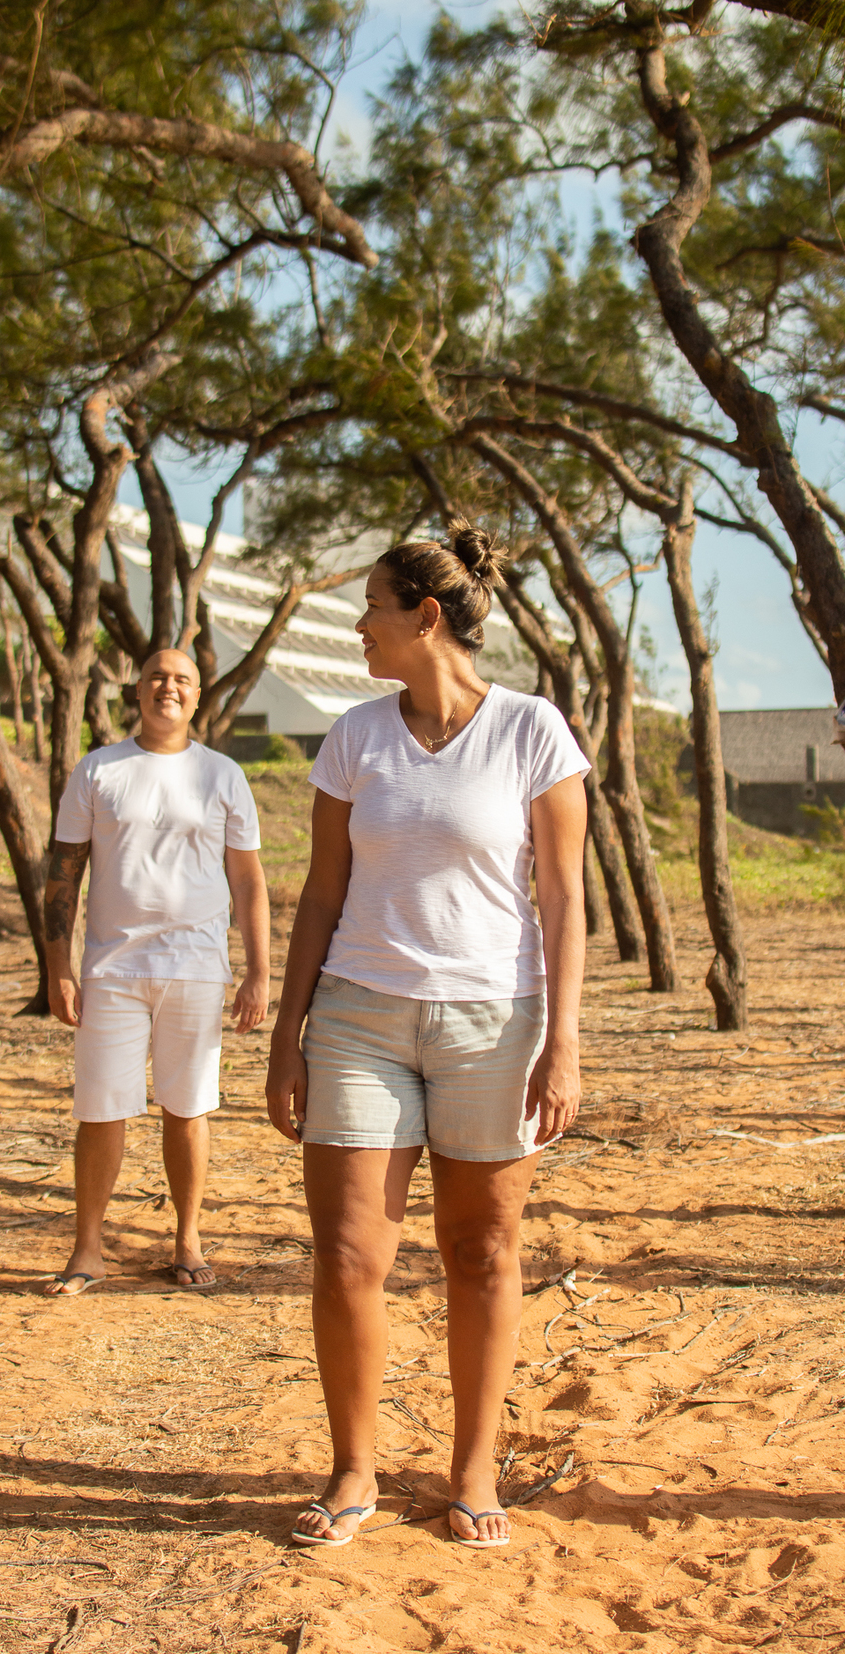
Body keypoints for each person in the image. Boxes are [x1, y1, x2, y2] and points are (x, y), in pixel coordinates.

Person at [266, 520, 588, 1549]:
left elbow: (566, 899)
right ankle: (353, 1466)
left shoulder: (534, 731)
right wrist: (286, 1030)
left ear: (426, 617)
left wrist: (566, 1039)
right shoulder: (355, 737)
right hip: (358, 1014)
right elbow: (321, 894)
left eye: (371, 609)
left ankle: (472, 1466)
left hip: (497, 1021)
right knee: (351, 1253)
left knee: (481, 1249)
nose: (360, 626)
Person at [44, 647, 270, 1296]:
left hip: (197, 968)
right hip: (112, 968)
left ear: (198, 698)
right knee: (100, 1110)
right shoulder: (98, 770)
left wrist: (259, 970)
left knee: (188, 1107)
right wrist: (59, 968)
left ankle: (187, 1235)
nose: (167, 688)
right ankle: (88, 1245)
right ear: (136, 690)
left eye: (182, 681)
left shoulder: (224, 775)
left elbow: (248, 879)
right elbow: (63, 873)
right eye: (156, 677)